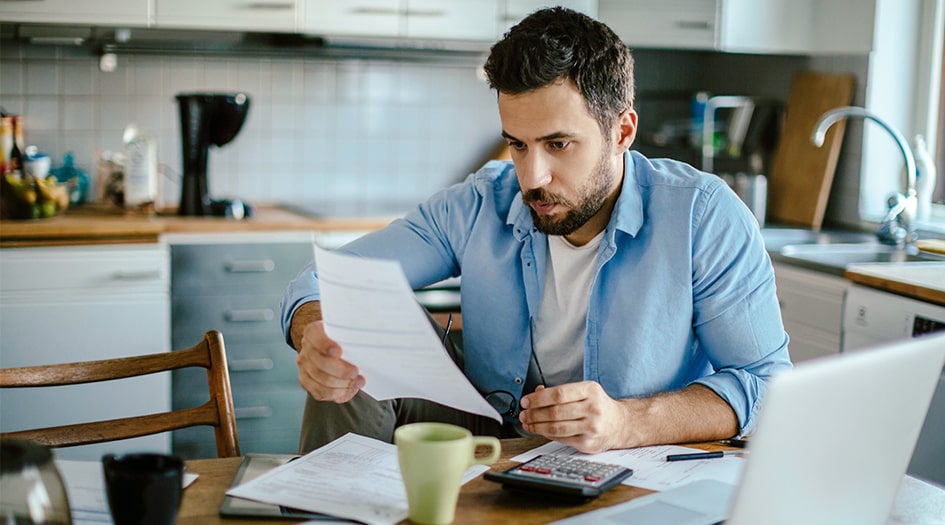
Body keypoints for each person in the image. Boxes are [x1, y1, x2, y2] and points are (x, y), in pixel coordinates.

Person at [281, 7, 791, 455]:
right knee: (349, 340)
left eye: (558, 144)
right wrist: (316, 331)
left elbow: (767, 387)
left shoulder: (703, 216)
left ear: (623, 132)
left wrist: (624, 422)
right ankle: (328, 512)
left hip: (633, 455)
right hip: (494, 431)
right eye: (517, 145)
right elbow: (325, 279)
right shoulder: (483, 201)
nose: (532, 177)